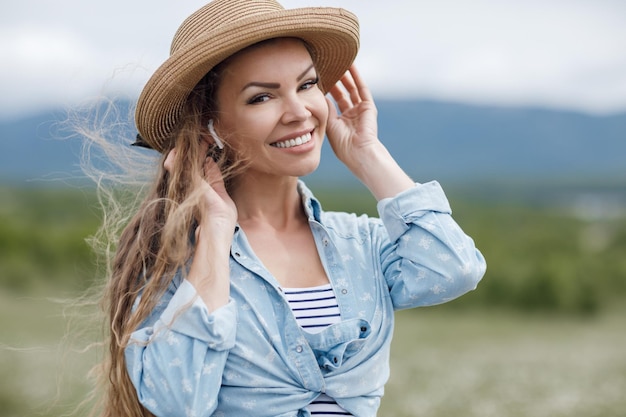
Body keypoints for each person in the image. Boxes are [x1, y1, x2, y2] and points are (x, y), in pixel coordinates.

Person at [94, 0, 486, 416]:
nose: (299, 113)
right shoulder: (179, 260)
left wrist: (368, 154)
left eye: (307, 85)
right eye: (262, 97)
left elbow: (454, 269)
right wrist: (215, 229)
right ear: (212, 124)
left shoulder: (362, 243)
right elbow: (177, 403)